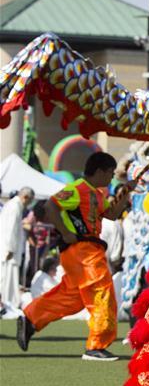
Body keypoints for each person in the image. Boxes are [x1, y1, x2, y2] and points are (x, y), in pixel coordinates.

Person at [17, 152, 133, 361]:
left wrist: (125, 193)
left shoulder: (96, 193)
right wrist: (65, 232)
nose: (111, 178)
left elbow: (112, 214)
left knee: (73, 296)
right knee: (101, 292)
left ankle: (31, 318)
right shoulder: (76, 189)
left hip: (84, 251)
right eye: (110, 173)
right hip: (82, 250)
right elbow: (50, 206)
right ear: (99, 171)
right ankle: (96, 345)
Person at [0, 187, 34, 311]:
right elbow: (10, 229)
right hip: (9, 250)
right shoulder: (14, 207)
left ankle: (8, 303)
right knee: (6, 278)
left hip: (10, 249)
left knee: (8, 278)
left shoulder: (14, 206)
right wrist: (9, 248)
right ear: (25, 197)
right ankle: (6, 303)